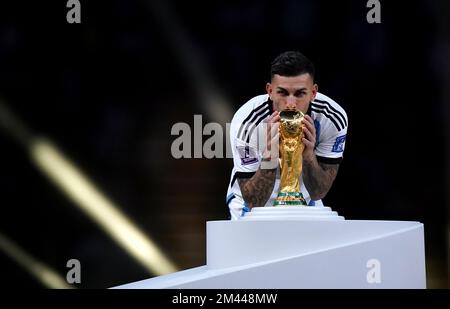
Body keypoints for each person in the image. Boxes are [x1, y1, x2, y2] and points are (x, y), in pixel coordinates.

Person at [226, 51, 348, 220]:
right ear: (269, 90)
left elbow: (318, 192)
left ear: (313, 92)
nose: (291, 104)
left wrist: (308, 156)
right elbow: (253, 200)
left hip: (305, 200)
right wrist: (269, 155)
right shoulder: (247, 122)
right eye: (282, 93)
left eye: (300, 94)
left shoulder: (332, 118)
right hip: (249, 205)